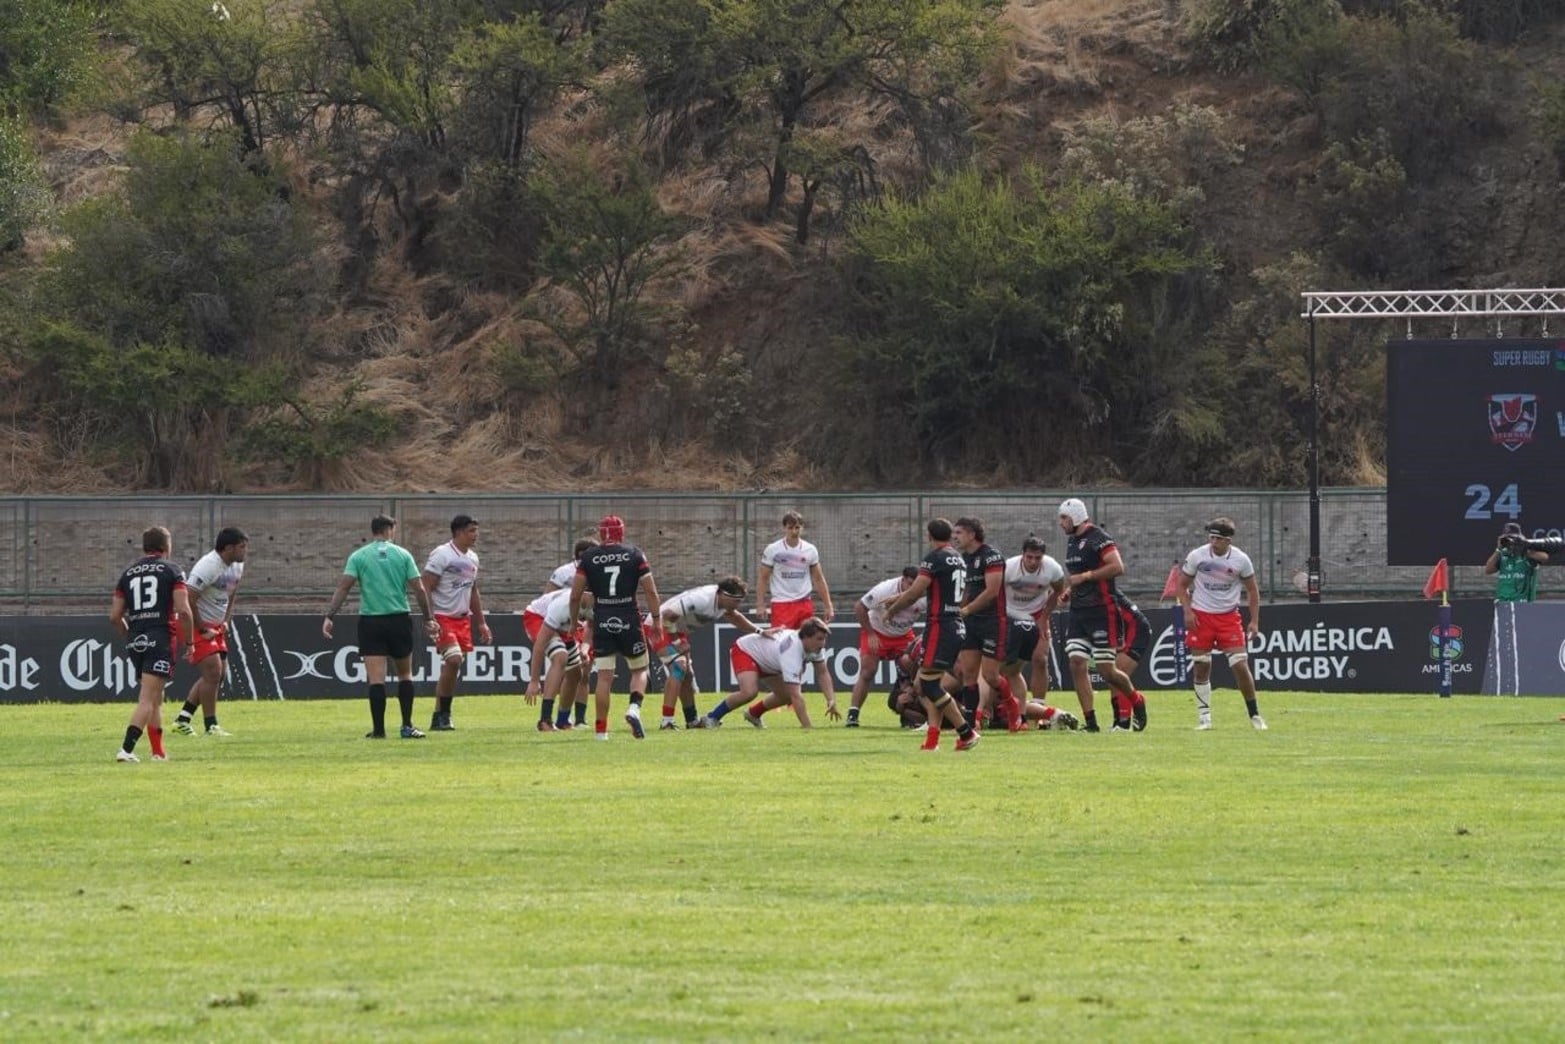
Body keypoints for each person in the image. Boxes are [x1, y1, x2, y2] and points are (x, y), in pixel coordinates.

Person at [323, 515, 438, 740]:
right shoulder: (403, 554)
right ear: (389, 530)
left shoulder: (359, 556)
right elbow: (419, 589)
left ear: (373, 531)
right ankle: (407, 726)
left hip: (371, 622)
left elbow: (344, 587)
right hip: (398, 619)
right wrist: (428, 618)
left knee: (376, 679)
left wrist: (329, 616)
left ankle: (378, 730)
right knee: (405, 674)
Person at [882, 518, 982, 752]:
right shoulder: (957, 558)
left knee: (927, 685)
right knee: (930, 684)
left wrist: (892, 610)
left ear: (929, 536)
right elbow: (934, 589)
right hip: (954, 624)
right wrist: (896, 598)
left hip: (941, 626)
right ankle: (932, 740)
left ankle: (966, 733)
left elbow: (914, 592)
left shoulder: (934, 558)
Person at [569, 514, 662, 740]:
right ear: (622, 532)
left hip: (602, 618)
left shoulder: (588, 557)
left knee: (604, 677)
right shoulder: (635, 554)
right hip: (629, 617)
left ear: (601, 533)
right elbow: (650, 591)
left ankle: (601, 732)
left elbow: (575, 596)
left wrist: (573, 623)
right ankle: (634, 708)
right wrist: (657, 619)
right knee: (640, 669)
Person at [110, 526, 196, 763]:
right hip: (160, 638)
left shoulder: (127, 574)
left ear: (144, 547)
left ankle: (158, 752)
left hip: (136, 639)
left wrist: (130, 636)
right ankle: (126, 750)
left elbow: (115, 616)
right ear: (167, 546)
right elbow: (184, 611)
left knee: (156, 696)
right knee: (147, 698)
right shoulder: (172, 570)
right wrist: (190, 642)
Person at [1058, 497, 1141, 733]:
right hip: (1078, 612)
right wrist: (1069, 590)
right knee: (1076, 662)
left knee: (1106, 671)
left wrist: (1086, 577)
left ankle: (1136, 700)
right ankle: (1091, 723)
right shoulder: (1073, 541)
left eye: (1064, 518)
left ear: (1076, 516)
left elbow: (1117, 567)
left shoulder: (1098, 537)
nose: (1060, 523)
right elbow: (1077, 575)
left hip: (1101, 610)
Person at [1178, 517, 1265, 731]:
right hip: (1201, 616)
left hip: (1228, 618)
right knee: (1201, 666)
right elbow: (1181, 586)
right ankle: (1204, 718)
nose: (1213, 542)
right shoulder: (1197, 556)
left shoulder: (1241, 560)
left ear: (1228, 541)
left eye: (1218, 539)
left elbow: (1252, 590)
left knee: (1240, 665)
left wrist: (1254, 621)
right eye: (1211, 538)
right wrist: (1187, 611)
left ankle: (1255, 715)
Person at [648, 577, 757, 729]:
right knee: (679, 667)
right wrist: (677, 642)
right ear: (724, 595)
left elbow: (736, 617)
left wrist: (760, 631)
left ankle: (692, 721)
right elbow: (667, 616)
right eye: (736, 601)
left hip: (675, 629)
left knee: (687, 676)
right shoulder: (702, 599)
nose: (738, 605)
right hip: (658, 627)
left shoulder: (722, 603)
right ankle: (667, 722)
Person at [172, 526, 248, 738]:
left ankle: (183, 719)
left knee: (218, 675)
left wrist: (226, 620)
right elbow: (188, 598)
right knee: (213, 672)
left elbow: (232, 592)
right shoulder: (208, 566)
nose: (245, 551)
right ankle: (211, 726)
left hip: (215, 624)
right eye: (242, 547)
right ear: (229, 548)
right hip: (196, 624)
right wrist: (202, 628)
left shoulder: (237, 565)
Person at [697, 620, 839, 728]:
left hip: (769, 661)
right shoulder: (791, 651)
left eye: (824, 639)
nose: (823, 643)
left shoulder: (814, 648)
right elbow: (796, 695)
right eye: (819, 639)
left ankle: (753, 714)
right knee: (749, 692)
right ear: (806, 637)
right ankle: (712, 717)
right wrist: (808, 728)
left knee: (785, 695)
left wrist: (831, 700)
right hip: (746, 651)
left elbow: (822, 673)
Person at [422, 514, 492, 731]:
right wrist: (429, 618)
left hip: (463, 620)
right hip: (443, 617)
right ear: (459, 532)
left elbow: (473, 589)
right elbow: (425, 586)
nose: (476, 535)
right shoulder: (442, 554)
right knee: (453, 660)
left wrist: (481, 623)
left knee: (452, 668)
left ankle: (438, 715)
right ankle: (445, 714)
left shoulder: (473, 558)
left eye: (476, 531)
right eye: (471, 531)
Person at [952, 517, 1018, 730]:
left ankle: (1012, 705)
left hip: (992, 622)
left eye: (959, 533)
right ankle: (971, 723)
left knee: (990, 676)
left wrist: (967, 609)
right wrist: (959, 610)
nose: (955, 537)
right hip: (970, 623)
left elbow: (992, 591)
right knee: (968, 674)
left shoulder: (992, 556)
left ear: (972, 534)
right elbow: (965, 590)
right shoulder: (962, 559)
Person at [846, 567, 925, 727]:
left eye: (916, 585)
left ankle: (909, 715)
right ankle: (853, 714)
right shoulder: (885, 589)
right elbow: (860, 607)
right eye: (910, 584)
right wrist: (870, 634)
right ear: (903, 579)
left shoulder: (923, 595)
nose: (913, 589)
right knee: (868, 671)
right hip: (877, 631)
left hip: (903, 635)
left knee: (912, 671)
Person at [1003, 537, 1067, 711]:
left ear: (1043, 557)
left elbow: (1059, 590)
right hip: (1010, 613)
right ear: (1023, 555)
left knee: (1040, 659)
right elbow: (995, 592)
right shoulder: (1009, 567)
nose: (1033, 562)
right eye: (1029, 557)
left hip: (1036, 614)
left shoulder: (1052, 568)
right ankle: (1002, 705)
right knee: (1007, 664)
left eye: (1037, 558)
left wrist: (1044, 617)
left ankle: (1039, 706)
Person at [523, 587, 588, 732]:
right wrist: (534, 681)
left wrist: (584, 649)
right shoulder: (562, 606)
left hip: (564, 625)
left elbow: (590, 629)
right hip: (538, 617)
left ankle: (563, 720)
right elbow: (539, 646)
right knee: (560, 656)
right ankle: (544, 720)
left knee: (576, 673)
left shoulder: (597, 603)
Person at [757, 511, 834, 628]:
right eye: (790, 528)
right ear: (784, 528)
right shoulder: (773, 549)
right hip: (782, 604)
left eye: (797, 527)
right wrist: (760, 604)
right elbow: (763, 578)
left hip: (804, 603)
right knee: (781, 638)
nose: (794, 531)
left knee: (806, 638)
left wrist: (828, 606)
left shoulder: (810, 550)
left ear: (802, 527)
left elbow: (818, 579)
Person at [1486, 522, 1549, 603]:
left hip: (1522, 601)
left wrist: (1524, 549)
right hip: (1502, 600)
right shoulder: (1502, 554)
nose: (1511, 542)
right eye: (1508, 539)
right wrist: (1498, 549)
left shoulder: (1527, 554)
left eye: (1513, 538)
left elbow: (1544, 557)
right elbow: (1488, 570)